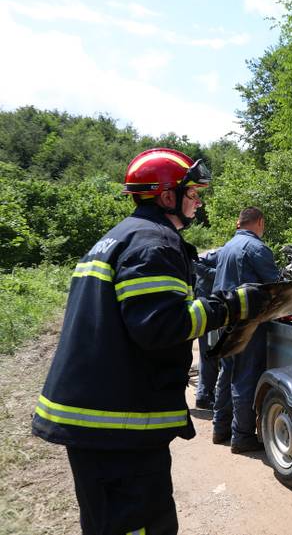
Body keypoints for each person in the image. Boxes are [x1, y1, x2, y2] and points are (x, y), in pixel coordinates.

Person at [31, 148, 269, 535]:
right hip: (117, 427)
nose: (198, 202)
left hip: (98, 418)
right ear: (167, 196)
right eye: (192, 194)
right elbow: (161, 326)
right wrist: (233, 305)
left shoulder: (117, 238)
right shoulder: (154, 243)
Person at [211, 207, 280, 453]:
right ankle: (241, 436)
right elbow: (276, 286)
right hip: (247, 320)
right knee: (245, 376)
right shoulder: (257, 248)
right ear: (259, 222)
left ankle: (220, 429)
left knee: (226, 373)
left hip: (224, 317)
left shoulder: (227, 247)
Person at [194, 248, 220, 410]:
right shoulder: (221, 253)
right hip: (206, 305)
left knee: (210, 353)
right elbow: (195, 262)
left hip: (213, 305)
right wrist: (217, 274)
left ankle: (206, 393)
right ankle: (203, 396)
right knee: (208, 352)